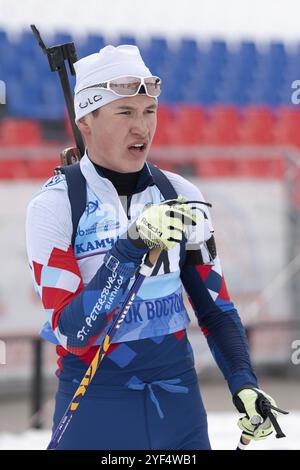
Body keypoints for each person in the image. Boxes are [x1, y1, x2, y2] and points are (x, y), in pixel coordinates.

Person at [26, 44, 282, 450]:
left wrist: (243, 382)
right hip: (96, 408)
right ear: (85, 121)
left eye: (149, 112)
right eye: (125, 112)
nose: (141, 128)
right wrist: (131, 246)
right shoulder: (55, 206)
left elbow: (216, 309)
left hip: (177, 409)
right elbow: (74, 331)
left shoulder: (180, 193)